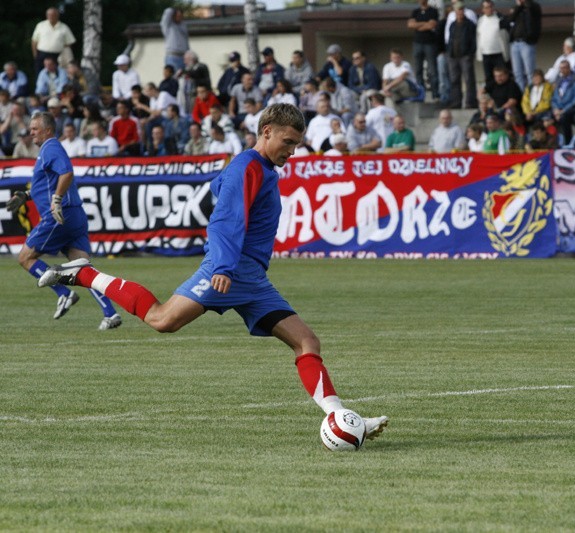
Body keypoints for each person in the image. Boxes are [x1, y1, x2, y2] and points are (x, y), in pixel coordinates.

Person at [37, 104, 389, 443]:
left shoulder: (257, 169)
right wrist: (222, 265)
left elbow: (218, 192)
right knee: (162, 320)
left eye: (296, 144)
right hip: (230, 273)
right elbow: (226, 218)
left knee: (307, 342)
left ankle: (342, 420)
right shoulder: (247, 166)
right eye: (288, 142)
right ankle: (85, 274)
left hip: (253, 280)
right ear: (266, 132)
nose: (293, 151)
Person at [6, 112, 120, 329]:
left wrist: (57, 200)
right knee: (83, 268)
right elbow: (48, 183)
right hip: (74, 214)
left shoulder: (51, 147)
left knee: (25, 257)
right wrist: (26, 196)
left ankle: (63, 292)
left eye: (34, 129)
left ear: (48, 130)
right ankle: (110, 313)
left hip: (60, 215)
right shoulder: (48, 150)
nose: (31, 133)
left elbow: (66, 173)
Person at [445, 3, 478, 109]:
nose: (460, 12)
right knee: (454, 80)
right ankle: (456, 102)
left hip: (465, 55)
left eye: (461, 10)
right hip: (453, 55)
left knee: (469, 80)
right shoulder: (452, 24)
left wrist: (470, 52)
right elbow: (449, 39)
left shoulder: (470, 24)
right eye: (458, 10)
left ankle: (470, 102)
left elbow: (474, 40)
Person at [409, 0, 440, 100]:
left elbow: (432, 25)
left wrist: (417, 25)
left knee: (432, 70)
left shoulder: (433, 11)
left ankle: (435, 94)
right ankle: (421, 95)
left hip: (430, 43)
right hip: (417, 43)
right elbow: (410, 25)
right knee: (418, 70)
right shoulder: (415, 12)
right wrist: (424, 24)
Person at [508, 0, 542, 91]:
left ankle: (532, 95)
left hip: (526, 43)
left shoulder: (533, 6)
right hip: (515, 43)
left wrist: (525, 4)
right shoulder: (516, 8)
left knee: (530, 72)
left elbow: (532, 11)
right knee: (518, 74)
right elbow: (511, 19)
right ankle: (521, 98)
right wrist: (519, 6)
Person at [31, 7, 76, 75]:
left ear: (57, 16)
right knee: (40, 74)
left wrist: (58, 47)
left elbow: (69, 43)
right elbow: (34, 41)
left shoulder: (64, 27)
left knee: (56, 75)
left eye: (53, 15)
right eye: (49, 15)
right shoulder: (41, 25)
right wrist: (35, 55)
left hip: (57, 56)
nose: (51, 16)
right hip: (42, 55)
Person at [476, 0, 510, 84]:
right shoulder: (480, 21)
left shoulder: (499, 18)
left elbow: (507, 33)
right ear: (483, 9)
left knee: (502, 77)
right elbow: (478, 36)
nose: (489, 9)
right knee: (489, 78)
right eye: (486, 8)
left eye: (490, 7)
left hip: (499, 53)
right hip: (486, 54)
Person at [161, 7, 190, 72]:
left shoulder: (183, 26)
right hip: (173, 57)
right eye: (177, 15)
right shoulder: (168, 26)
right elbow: (167, 12)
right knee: (173, 79)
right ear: (173, 16)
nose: (179, 17)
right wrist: (174, 10)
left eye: (180, 16)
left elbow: (186, 41)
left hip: (183, 57)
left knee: (183, 79)